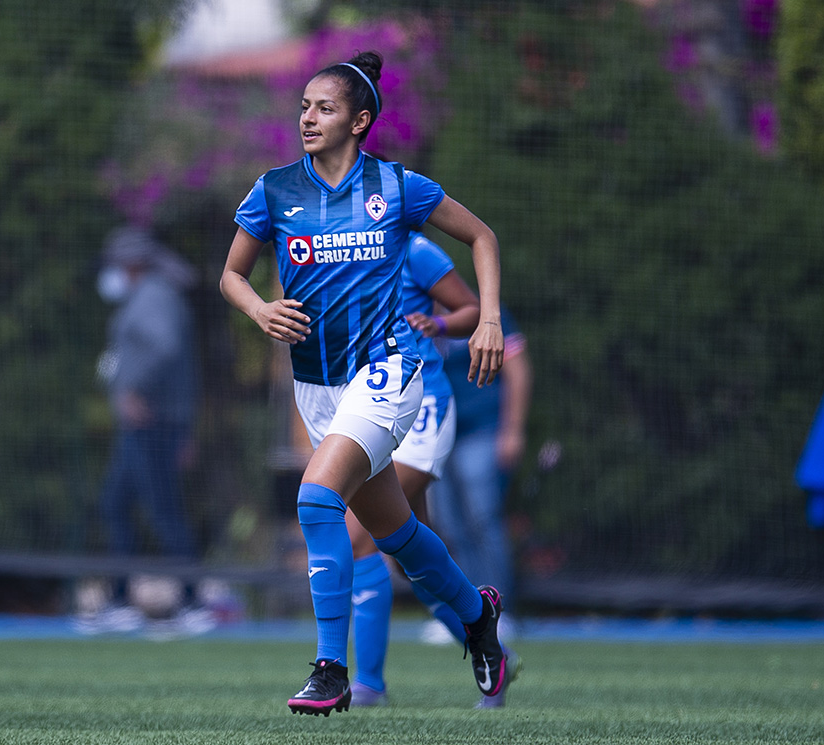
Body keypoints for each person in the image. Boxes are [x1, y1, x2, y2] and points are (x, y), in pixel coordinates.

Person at [220, 51, 511, 716]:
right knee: (396, 534)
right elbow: (230, 275)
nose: (308, 118)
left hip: (388, 372)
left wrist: (486, 319)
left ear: (361, 119)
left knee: (317, 499)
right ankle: (476, 616)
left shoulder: (397, 186)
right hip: (316, 388)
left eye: (323, 108)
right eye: (303, 107)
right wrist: (259, 308)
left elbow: (483, 237)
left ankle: (332, 669)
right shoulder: (273, 191)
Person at [344, 230, 520, 709]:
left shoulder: (413, 248)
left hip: (422, 408)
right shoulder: (336, 244)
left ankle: (369, 685)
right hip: (371, 409)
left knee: (360, 535)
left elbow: (471, 310)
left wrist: (440, 326)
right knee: (410, 558)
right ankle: (492, 649)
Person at [83, 225, 205, 634]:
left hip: (154, 424)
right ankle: (120, 601)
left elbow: (165, 347)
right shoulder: (148, 294)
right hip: (142, 427)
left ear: (132, 263)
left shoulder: (154, 295)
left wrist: (135, 389)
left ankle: (191, 604)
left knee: (163, 510)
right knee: (117, 505)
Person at [428, 306, 532, 658]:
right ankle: (470, 613)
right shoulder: (417, 316)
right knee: (451, 527)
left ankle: (501, 612)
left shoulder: (486, 314)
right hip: (440, 434)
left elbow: (518, 370)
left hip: (483, 431)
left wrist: (512, 429)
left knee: (483, 521)